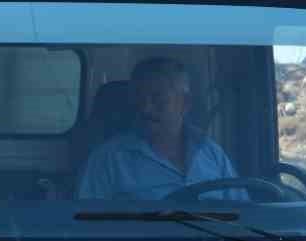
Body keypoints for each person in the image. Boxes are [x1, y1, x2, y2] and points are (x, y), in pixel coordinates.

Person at [77, 57, 242, 201]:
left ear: (185, 103)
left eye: (158, 100)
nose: (146, 108)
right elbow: (86, 227)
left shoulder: (212, 154)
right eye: (140, 99)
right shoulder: (107, 159)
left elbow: (242, 214)